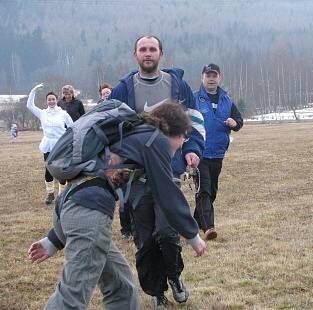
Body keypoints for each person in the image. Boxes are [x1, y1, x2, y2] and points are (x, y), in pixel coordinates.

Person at [27, 102, 206, 310]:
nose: (183, 143)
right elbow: (167, 194)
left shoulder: (134, 137)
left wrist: (53, 239)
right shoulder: (155, 140)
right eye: (184, 137)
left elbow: (83, 185)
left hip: (74, 208)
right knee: (71, 299)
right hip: (89, 217)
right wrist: (193, 236)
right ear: (172, 130)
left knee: (122, 287)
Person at [110, 35, 205, 307]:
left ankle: (174, 276)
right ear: (135, 54)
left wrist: (193, 149)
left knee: (167, 232)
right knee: (145, 240)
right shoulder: (123, 89)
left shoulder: (177, 85)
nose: (148, 53)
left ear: (161, 54)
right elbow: (111, 127)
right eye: (143, 49)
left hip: (168, 169)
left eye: (153, 49)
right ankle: (156, 292)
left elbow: (195, 121)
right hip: (136, 177)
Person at [193, 63, 243, 240]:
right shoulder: (194, 99)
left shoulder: (226, 100)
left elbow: (239, 121)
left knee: (212, 190)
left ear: (219, 77)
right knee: (204, 190)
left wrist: (234, 123)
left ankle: (195, 222)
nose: (211, 78)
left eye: (214, 75)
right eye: (208, 75)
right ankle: (209, 227)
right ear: (202, 77)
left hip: (218, 153)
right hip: (199, 153)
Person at [26, 83, 73, 204]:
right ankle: (50, 193)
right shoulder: (42, 113)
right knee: (48, 170)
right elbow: (30, 105)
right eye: (49, 99)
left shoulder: (63, 113)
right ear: (46, 101)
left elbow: (72, 127)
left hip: (60, 145)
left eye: (53, 99)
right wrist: (33, 91)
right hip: (47, 144)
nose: (51, 101)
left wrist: (70, 140)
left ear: (56, 100)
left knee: (61, 170)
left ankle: (62, 195)